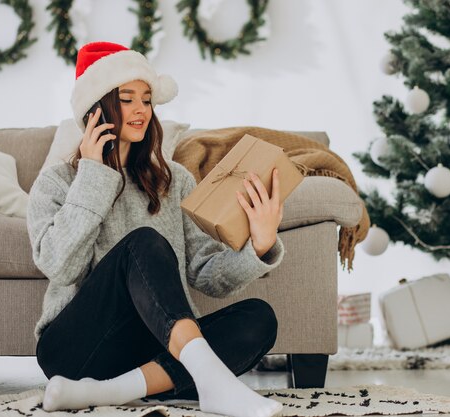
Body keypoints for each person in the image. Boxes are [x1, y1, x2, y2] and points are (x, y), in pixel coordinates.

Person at [26, 41, 285, 417]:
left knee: (259, 319)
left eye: (146, 100)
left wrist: (259, 247)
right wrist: (95, 176)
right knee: (143, 243)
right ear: (96, 109)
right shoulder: (57, 183)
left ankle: (109, 392)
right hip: (76, 349)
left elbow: (203, 274)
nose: (140, 110)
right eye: (126, 98)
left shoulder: (173, 180)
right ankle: (210, 381)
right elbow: (59, 266)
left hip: (151, 349)